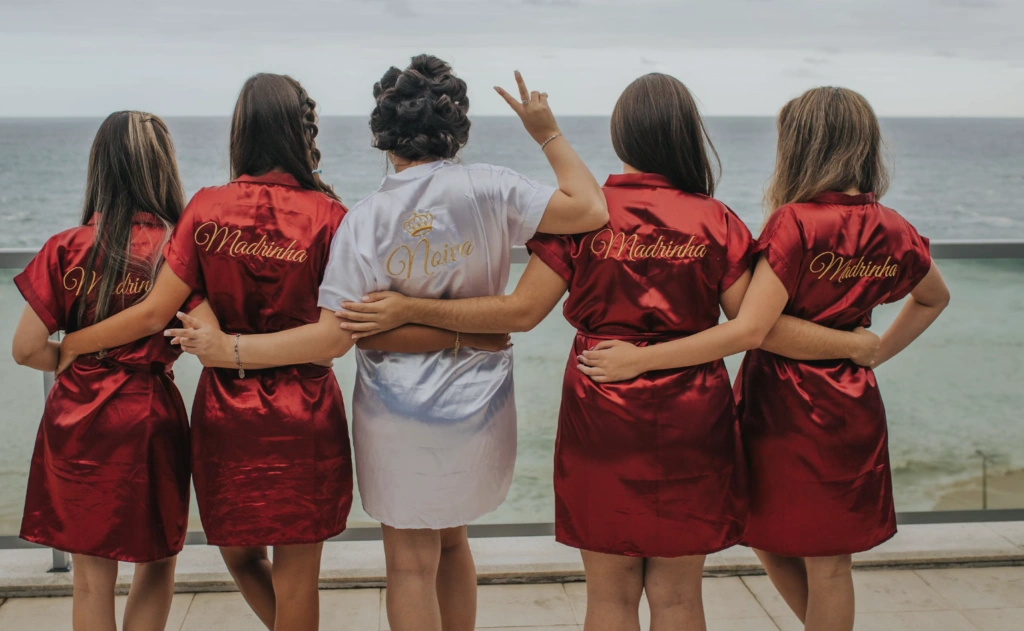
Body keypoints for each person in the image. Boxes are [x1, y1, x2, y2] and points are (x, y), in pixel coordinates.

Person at [327, 74, 880, 631]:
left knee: (609, 595)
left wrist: (408, 309)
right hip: (695, 414)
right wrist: (852, 341)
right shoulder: (718, 221)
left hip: (601, 407)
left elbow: (522, 310)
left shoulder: (586, 219)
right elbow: (757, 326)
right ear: (688, 135)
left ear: (621, 136)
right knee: (681, 597)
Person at [166, 55, 608, 631]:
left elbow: (341, 332)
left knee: (408, 564)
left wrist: (232, 349)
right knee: (454, 541)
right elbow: (591, 210)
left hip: (396, 408)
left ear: (383, 134)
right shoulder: (495, 186)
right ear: (456, 130)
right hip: (479, 403)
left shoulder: (366, 218)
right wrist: (545, 131)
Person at [572, 87, 949, 631]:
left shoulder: (795, 223)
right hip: (852, 400)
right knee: (822, 558)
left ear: (800, 146)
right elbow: (935, 297)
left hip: (785, 404)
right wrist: (870, 351)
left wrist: (641, 360)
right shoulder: (894, 227)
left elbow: (753, 328)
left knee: (783, 543)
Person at [11, 111, 203, 631]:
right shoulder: (177, 250)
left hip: (75, 418)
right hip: (147, 413)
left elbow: (26, 350)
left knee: (92, 579)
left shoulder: (65, 248)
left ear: (101, 168)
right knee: (157, 562)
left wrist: (72, 356)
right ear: (163, 167)